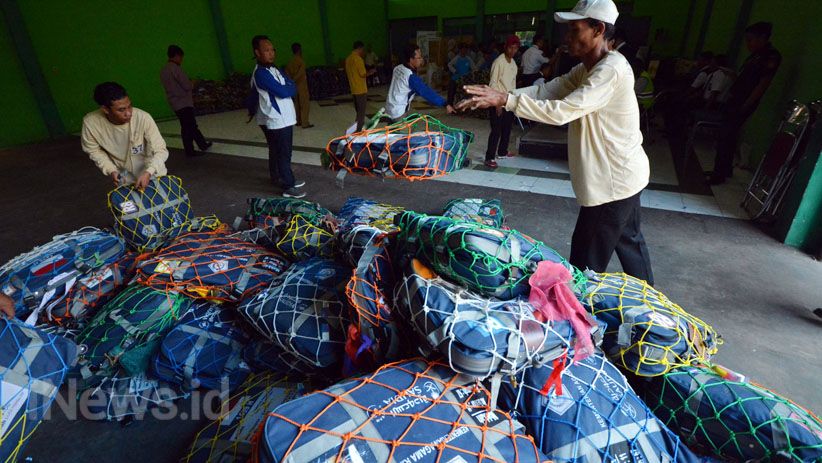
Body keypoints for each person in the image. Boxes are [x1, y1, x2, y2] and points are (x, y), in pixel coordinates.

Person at [458, 0, 654, 285]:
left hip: (612, 186)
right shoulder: (587, 68)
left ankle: (581, 323)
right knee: (631, 246)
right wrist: (500, 95)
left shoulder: (609, 70)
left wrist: (507, 101)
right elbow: (548, 90)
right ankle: (659, 314)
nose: (567, 37)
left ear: (598, 29)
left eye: (575, 30)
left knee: (584, 265)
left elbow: (564, 110)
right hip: (625, 179)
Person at [707, 22, 780, 185]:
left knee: (725, 136)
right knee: (729, 136)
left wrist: (745, 105)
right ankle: (725, 170)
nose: (748, 44)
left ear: (762, 38)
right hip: (735, 100)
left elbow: (762, 84)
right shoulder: (755, 55)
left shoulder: (771, 56)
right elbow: (744, 78)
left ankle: (718, 175)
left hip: (743, 103)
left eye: (750, 40)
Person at [81, 82, 169, 190]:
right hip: (124, 179)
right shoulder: (91, 123)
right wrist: (111, 169)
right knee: (134, 206)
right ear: (105, 109)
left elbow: (161, 150)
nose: (129, 113)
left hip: (154, 174)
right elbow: (93, 150)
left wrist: (149, 172)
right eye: (121, 110)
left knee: (163, 205)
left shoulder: (143, 117)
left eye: (129, 106)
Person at [250, 35, 305, 199]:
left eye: (272, 49)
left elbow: (291, 86)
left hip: (285, 118)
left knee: (277, 150)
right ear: (257, 52)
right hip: (277, 119)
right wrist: (287, 87)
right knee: (283, 152)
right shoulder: (260, 73)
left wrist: (287, 87)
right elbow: (284, 91)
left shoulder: (274, 69)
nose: (271, 53)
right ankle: (288, 184)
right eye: (266, 50)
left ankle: (278, 177)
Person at [160, 45, 212, 157]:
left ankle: (202, 145)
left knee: (189, 126)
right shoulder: (176, 69)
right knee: (189, 127)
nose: (182, 60)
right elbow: (187, 85)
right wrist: (193, 82)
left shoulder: (164, 70)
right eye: (181, 57)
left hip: (174, 103)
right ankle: (191, 150)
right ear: (177, 56)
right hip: (184, 102)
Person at [385, 44, 455, 122]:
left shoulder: (398, 68)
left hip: (389, 108)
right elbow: (426, 92)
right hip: (398, 113)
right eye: (419, 58)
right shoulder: (410, 76)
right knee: (402, 133)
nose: (421, 59)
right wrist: (445, 104)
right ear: (411, 59)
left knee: (391, 132)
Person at [483, 35, 521, 169]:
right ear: (505, 47)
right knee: (496, 130)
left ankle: (502, 151)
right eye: (511, 48)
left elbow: (513, 84)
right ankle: (489, 157)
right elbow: (493, 83)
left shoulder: (513, 63)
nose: (513, 51)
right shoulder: (498, 62)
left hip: (509, 100)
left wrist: (514, 101)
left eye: (515, 48)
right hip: (497, 101)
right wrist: (496, 103)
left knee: (507, 128)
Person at [345, 41, 376, 131]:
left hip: (353, 89)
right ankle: (358, 132)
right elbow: (362, 74)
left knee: (358, 112)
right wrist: (371, 72)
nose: (363, 51)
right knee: (361, 113)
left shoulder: (348, 59)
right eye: (363, 49)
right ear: (360, 48)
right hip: (361, 89)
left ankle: (355, 128)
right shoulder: (358, 59)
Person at [285, 42, 313, 129]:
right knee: (304, 104)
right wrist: (294, 80)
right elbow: (301, 73)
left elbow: (287, 72)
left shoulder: (291, 61)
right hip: (302, 86)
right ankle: (305, 123)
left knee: (297, 104)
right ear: (299, 50)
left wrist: (291, 81)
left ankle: (298, 121)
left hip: (294, 87)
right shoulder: (301, 61)